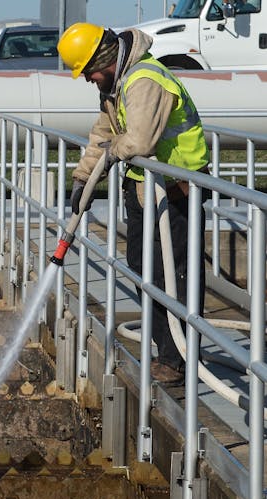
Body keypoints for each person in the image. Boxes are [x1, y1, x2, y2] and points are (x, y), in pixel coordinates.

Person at [58, 22, 209, 384]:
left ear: (105, 59)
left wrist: (109, 158)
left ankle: (177, 361)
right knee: (144, 267)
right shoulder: (117, 84)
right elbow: (104, 133)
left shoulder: (144, 80)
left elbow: (137, 141)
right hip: (146, 189)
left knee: (175, 276)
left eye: (89, 72)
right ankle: (168, 353)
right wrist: (83, 178)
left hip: (176, 192)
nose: (88, 79)